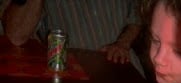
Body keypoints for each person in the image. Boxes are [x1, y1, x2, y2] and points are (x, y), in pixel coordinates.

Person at [2, 0, 145, 77]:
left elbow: (137, 16)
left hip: (121, 63)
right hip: (71, 75)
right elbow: (16, 36)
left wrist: (122, 43)